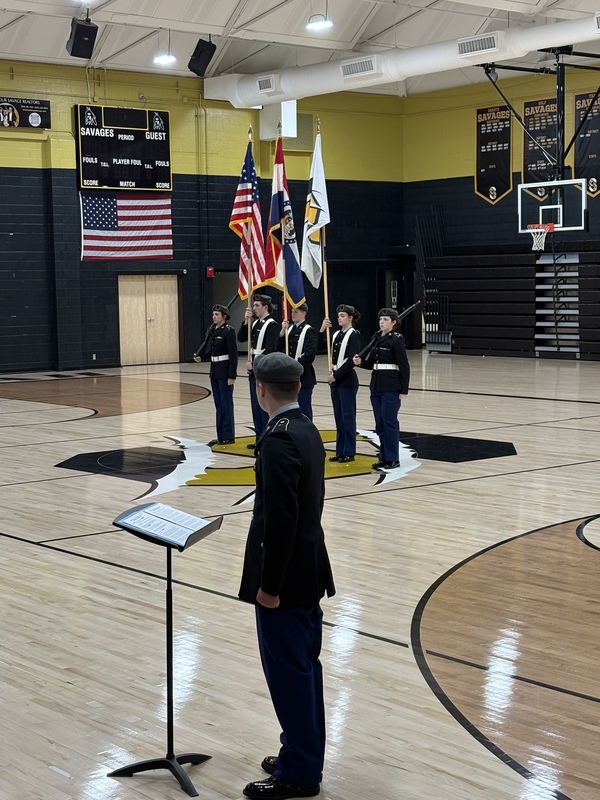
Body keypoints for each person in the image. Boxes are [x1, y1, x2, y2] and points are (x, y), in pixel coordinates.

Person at [239, 352, 336, 800]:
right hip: (310, 567)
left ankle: (300, 772)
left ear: (261, 389)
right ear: (297, 388)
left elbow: (280, 521)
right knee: (304, 670)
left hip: (286, 577)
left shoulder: (278, 440)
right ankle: (301, 751)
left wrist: (269, 587)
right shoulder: (305, 428)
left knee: (290, 675)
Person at [353, 308, 410, 469]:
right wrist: (361, 363)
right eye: (380, 320)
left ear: (393, 322)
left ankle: (393, 458)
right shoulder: (377, 339)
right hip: (376, 385)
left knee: (389, 421)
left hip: (391, 386)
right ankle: (384, 456)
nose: (382, 322)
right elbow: (373, 364)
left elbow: (404, 366)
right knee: (379, 423)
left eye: (385, 320)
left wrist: (404, 389)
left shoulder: (396, 340)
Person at [320, 304, 361, 463]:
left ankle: (349, 451)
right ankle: (340, 450)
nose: (339, 318)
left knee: (348, 417)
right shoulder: (336, 334)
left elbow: (352, 360)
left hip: (346, 380)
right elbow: (319, 347)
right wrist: (323, 330)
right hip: (336, 380)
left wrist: (336, 376)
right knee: (338, 417)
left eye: (343, 316)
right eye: (338, 316)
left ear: (350, 318)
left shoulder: (354, 335)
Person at [238, 294, 280, 445]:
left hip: (263, 370)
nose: (254, 308)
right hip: (253, 371)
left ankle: (266, 439)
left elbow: (271, 350)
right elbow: (241, 338)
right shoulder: (255, 324)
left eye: (257, 305)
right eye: (254, 305)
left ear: (265, 307)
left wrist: (255, 364)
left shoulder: (272, 325)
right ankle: (258, 438)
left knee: (263, 407)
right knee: (255, 406)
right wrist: (245, 321)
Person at [194, 304, 238, 446]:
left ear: (224, 317)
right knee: (219, 405)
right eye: (213, 314)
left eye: (217, 314)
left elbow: (233, 356)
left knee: (226, 405)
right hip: (215, 371)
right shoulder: (213, 331)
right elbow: (213, 351)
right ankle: (220, 436)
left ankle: (228, 435)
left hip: (225, 372)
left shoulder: (228, 332)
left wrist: (232, 376)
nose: (214, 317)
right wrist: (203, 357)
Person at [278, 303, 318, 420]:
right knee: (289, 409)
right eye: (292, 312)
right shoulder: (289, 329)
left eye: (296, 312)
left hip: (303, 375)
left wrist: (293, 367)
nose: (292, 314)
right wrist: (282, 332)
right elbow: (278, 347)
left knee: (303, 409)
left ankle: (306, 435)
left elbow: (309, 355)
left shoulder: (308, 330)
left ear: (303, 313)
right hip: (289, 376)